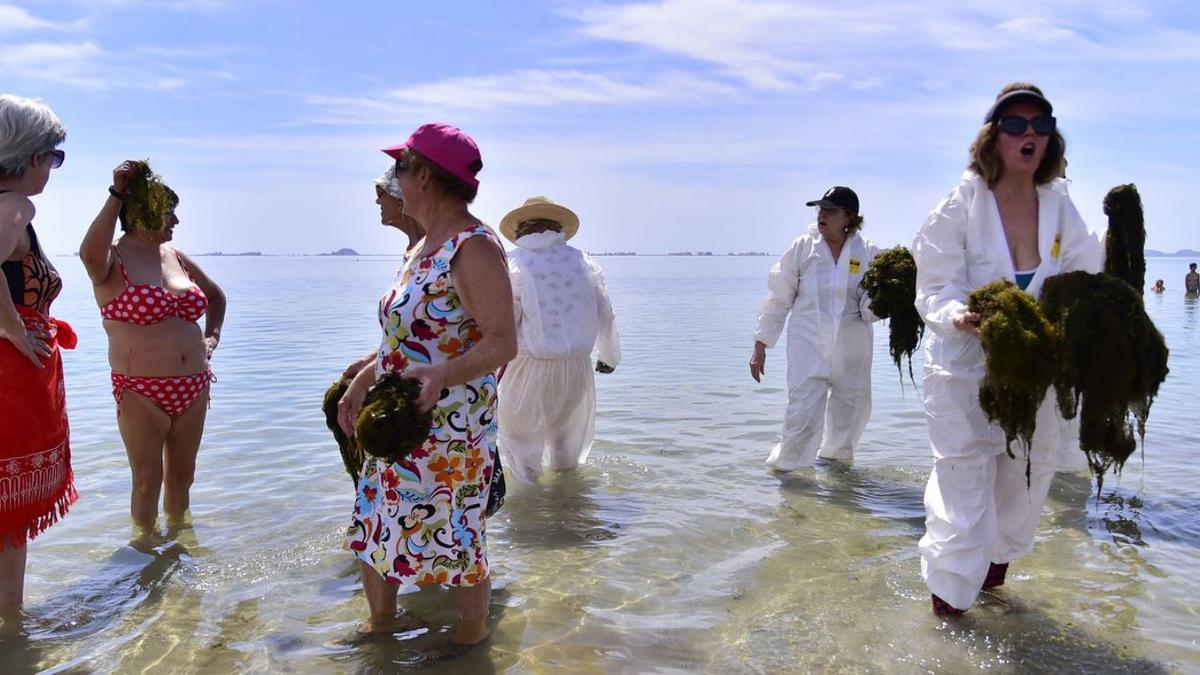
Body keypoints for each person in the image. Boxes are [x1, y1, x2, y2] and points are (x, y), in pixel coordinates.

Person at [912, 83, 1104, 617]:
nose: (1030, 135)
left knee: (1023, 489)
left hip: (1031, 376)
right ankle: (948, 625)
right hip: (960, 375)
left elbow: (1086, 274)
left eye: (1041, 126)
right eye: (1016, 125)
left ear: (1051, 139)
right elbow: (934, 286)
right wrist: (959, 317)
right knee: (964, 503)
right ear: (992, 137)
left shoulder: (1060, 207)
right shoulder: (959, 205)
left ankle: (992, 592)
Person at [337, 123, 515, 646]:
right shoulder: (422, 247)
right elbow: (405, 340)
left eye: (401, 167)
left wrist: (441, 374)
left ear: (425, 178)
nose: (393, 179)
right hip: (401, 418)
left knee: (458, 531)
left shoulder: (473, 247)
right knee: (375, 521)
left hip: (452, 427)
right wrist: (362, 384)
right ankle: (382, 625)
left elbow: (504, 341)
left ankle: (471, 639)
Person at [79, 161, 227, 533]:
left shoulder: (175, 257)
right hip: (141, 391)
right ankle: (145, 560)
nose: (175, 221)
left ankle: (179, 551)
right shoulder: (111, 261)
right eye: (168, 212)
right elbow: (87, 252)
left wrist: (212, 338)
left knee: (183, 479)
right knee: (147, 483)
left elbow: (216, 296)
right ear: (143, 213)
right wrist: (117, 194)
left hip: (193, 385)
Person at [0, 94, 76, 614]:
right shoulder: (12, 205)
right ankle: (12, 630)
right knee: (9, 524)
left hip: (18, 378)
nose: (52, 168)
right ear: (32, 156)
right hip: (12, 385)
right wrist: (15, 331)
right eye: (54, 155)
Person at [750, 186, 881, 471]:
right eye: (820, 209)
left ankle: (837, 494)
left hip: (852, 353)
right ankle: (789, 481)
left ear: (849, 216)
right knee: (802, 418)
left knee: (849, 421)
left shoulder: (867, 252)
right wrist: (761, 344)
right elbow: (778, 298)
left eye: (830, 210)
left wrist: (887, 304)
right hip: (808, 347)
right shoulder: (803, 248)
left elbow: (871, 308)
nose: (822, 215)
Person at [496, 196, 620, 482]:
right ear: (557, 228)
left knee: (521, 448)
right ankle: (568, 511)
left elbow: (506, 320)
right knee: (567, 450)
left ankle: (532, 518)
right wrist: (609, 357)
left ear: (521, 230)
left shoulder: (513, 263)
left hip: (529, 367)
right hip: (577, 368)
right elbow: (607, 315)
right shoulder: (585, 262)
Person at [341, 164, 427, 380]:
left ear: (401, 199)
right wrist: (368, 361)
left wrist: (365, 376)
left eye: (382, 193)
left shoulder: (437, 249)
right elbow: (405, 335)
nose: (377, 201)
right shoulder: (412, 251)